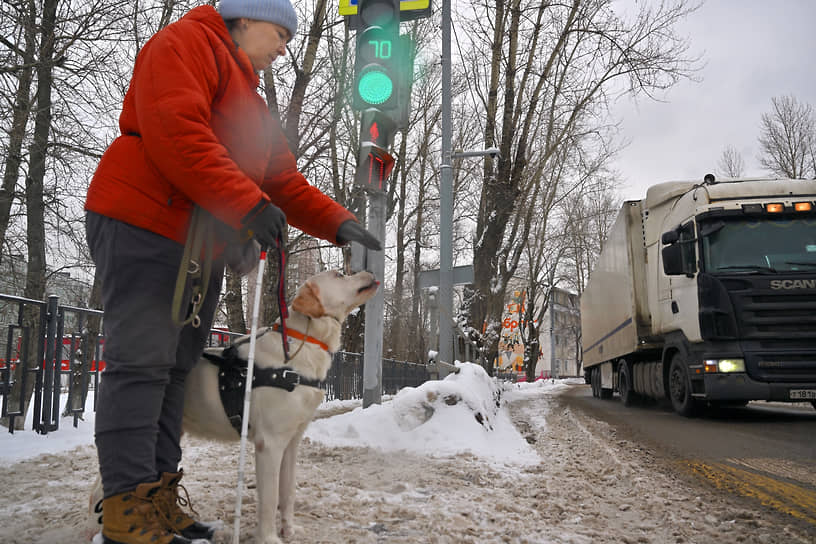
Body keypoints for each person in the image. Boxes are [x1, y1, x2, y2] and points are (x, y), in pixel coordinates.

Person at [83, 1, 380, 543]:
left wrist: (340, 224)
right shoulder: (185, 45)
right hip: (146, 222)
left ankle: (157, 501)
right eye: (279, 32)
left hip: (199, 244)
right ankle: (126, 515)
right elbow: (176, 130)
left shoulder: (250, 97)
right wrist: (247, 203)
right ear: (244, 18)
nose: (285, 46)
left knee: (175, 367)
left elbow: (283, 182)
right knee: (144, 364)